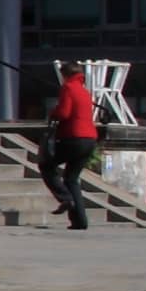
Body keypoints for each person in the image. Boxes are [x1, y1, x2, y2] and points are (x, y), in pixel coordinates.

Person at [43, 63, 100, 231]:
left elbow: (64, 113)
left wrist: (53, 112)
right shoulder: (84, 91)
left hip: (73, 138)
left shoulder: (68, 88)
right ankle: (80, 221)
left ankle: (65, 198)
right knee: (71, 179)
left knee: (46, 165)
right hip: (90, 140)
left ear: (65, 75)